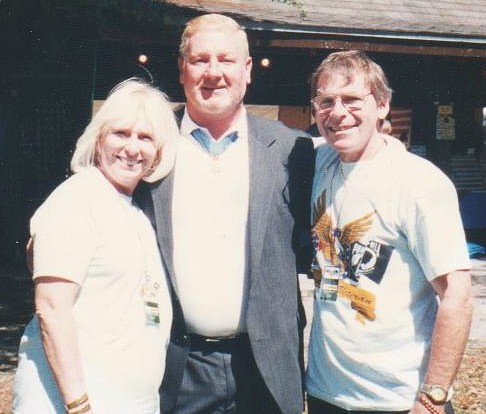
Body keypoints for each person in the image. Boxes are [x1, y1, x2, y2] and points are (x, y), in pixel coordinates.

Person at [135, 13, 314, 414]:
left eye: (226, 60)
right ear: (182, 70)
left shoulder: (292, 150)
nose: (213, 72)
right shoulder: (148, 147)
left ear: (247, 70)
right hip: (176, 369)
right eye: (200, 60)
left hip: (264, 370)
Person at [306, 50, 473, 414]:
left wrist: (432, 399)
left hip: (397, 399)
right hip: (325, 393)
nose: (337, 112)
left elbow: (457, 296)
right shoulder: (318, 163)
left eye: (352, 99)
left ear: (382, 106)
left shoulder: (417, 182)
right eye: (325, 101)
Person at [13, 78, 179, 414]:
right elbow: (52, 308)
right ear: (99, 137)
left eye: (145, 137)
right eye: (121, 133)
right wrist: (79, 405)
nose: (132, 149)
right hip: (71, 404)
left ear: (159, 150)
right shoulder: (77, 198)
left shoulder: (136, 211)